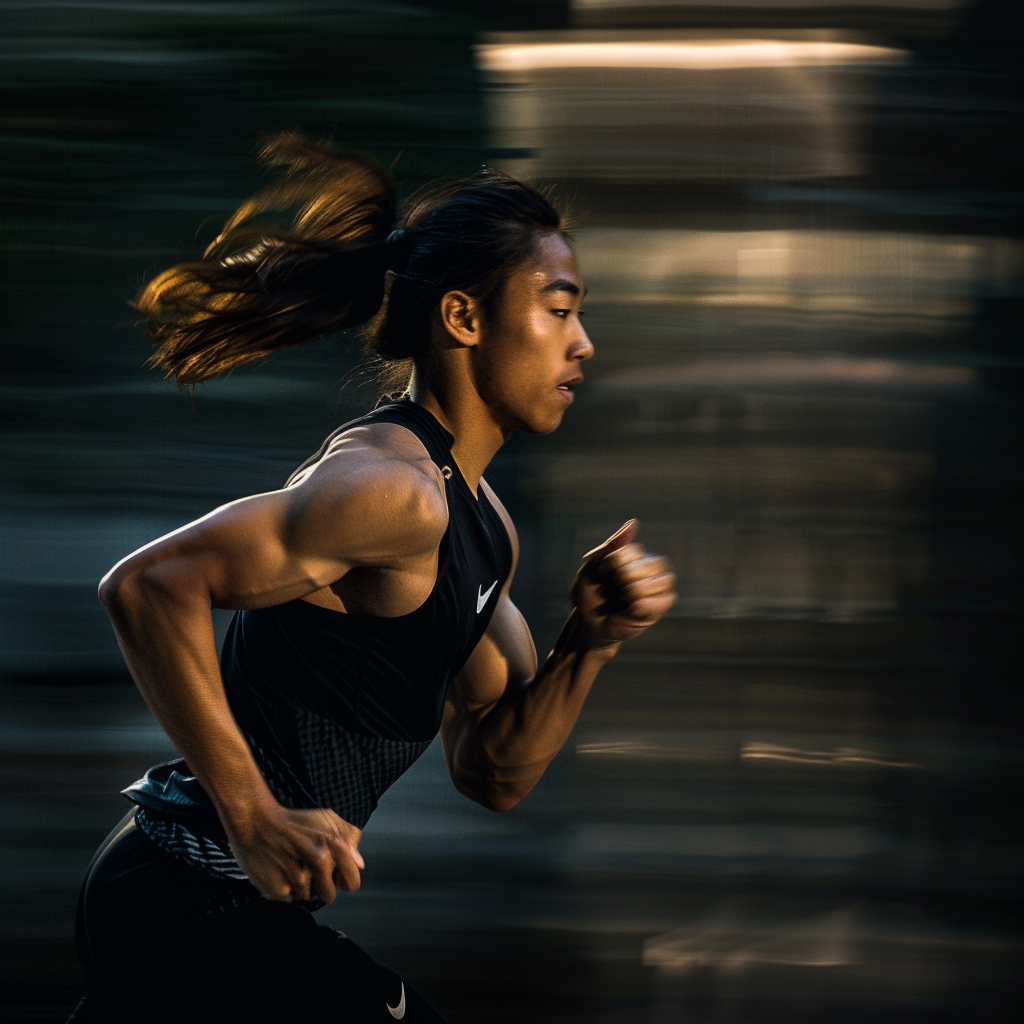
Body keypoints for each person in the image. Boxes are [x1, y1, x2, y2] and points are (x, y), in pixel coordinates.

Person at [68, 133, 677, 1023]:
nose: (583, 343)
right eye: (557, 309)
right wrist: (255, 816)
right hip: (185, 891)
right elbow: (146, 587)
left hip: (217, 908)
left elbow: (493, 768)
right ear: (463, 319)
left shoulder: (484, 529)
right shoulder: (393, 492)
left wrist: (588, 641)